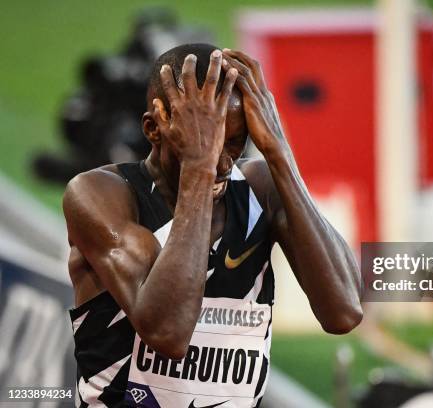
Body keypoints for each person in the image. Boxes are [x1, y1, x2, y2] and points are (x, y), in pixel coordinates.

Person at [62, 43, 363, 408]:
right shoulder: (100, 195)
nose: (222, 162)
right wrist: (198, 167)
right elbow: (167, 333)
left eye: (235, 142)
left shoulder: (261, 189)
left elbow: (344, 312)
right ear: (153, 129)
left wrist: (280, 153)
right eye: (205, 142)